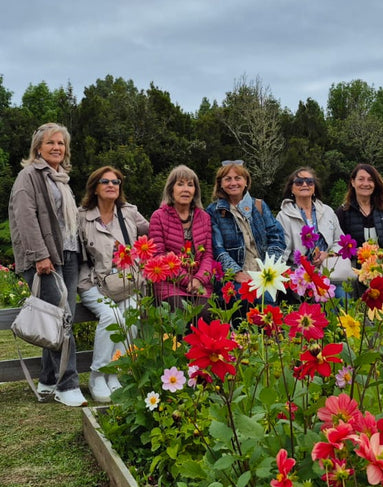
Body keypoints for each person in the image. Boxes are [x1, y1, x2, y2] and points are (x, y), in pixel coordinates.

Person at [8, 123, 87, 407]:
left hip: (69, 255)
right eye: (50, 142)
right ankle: (68, 385)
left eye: (61, 143)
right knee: (61, 321)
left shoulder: (61, 179)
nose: (57, 147)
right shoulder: (28, 177)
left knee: (58, 320)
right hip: (45, 258)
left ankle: (48, 380)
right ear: (38, 148)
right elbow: (25, 218)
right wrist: (39, 255)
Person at [76, 165, 149, 403]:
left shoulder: (129, 213)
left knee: (131, 315)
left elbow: (153, 233)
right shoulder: (82, 217)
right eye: (105, 182)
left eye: (116, 182)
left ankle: (117, 372)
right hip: (93, 282)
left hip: (126, 281)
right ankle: (98, 375)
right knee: (112, 317)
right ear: (94, 188)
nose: (111, 185)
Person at [207, 161, 286, 289]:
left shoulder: (259, 206)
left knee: (268, 299)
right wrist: (236, 272)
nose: (233, 183)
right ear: (220, 184)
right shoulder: (213, 211)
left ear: (246, 182)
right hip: (234, 279)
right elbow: (217, 248)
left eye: (238, 178)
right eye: (228, 179)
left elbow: (276, 238)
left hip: (264, 274)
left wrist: (268, 269)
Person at [148, 165, 216, 312]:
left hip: (199, 283)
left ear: (195, 191)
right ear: (171, 189)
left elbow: (208, 255)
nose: (186, 189)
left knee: (206, 313)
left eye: (190, 185)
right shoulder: (158, 216)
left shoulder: (204, 217)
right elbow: (159, 256)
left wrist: (199, 279)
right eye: (180, 184)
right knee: (179, 312)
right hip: (170, 284)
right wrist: (188, 280)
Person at [276, 166, 349, 299]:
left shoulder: (327, 211)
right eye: (299, 182)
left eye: (309, 182)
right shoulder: (284, 216)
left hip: (328, 273)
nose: (305, 184)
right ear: (292, 188)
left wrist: (328, 255)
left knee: (342, 298)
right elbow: (282, 250)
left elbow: (339, 241)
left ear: (314, 187)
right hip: (300, 276)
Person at [336, 163, 383, 258]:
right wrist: (357, 253)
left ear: (375, 183)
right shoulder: (343, 212)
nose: (366, 184)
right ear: (353, 182)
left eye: (370, 180)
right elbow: (338, 243)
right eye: (361, 179)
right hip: (356, 263)